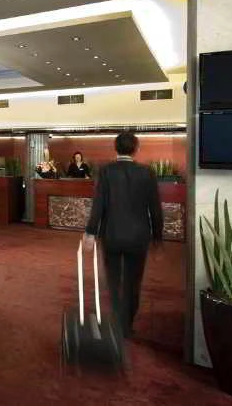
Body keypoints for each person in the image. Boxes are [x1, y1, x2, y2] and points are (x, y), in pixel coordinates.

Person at [83, 132, 163, 338]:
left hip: (112, 235)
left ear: (115, 148)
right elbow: (155, 208)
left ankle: (118, 322)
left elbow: (98, 204)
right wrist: (157, 237)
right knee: (133, 282)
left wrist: (90, 232)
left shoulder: (106, 171)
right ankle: (127, 324)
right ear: (136, 149)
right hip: (138, 237)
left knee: (114, 281)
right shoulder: (147, 173)